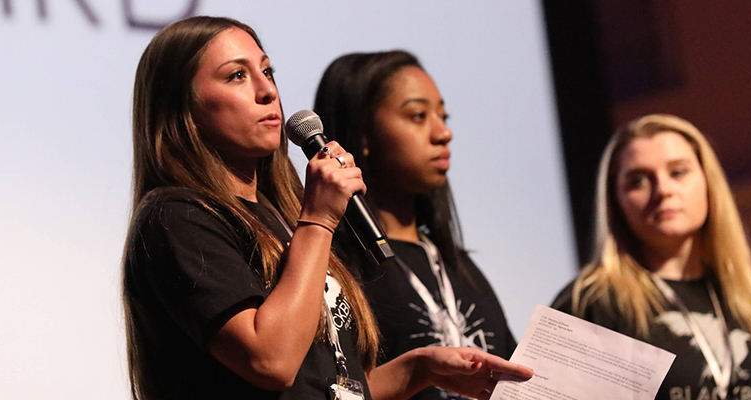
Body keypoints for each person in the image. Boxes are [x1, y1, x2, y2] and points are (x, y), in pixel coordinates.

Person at [122, 16, 532, 400]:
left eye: (267, 71)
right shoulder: (178, 216)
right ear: (182, 106)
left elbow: (326, 387)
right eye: (237, 76)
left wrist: (419, 368)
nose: (267, 91)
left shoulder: (278, 218)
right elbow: (270, 361)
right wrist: (319, 219)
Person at [313, 50, 518, 400]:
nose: (443, 133)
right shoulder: (335, 267)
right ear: (363, 135)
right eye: (418, 116)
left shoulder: (457, 266)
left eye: (443, 116)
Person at [551, 114, 751, 400]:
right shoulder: (590, 303)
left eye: (678, 172)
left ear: (708, 183)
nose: (663, 190)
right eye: (638, 180)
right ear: (615, 200)